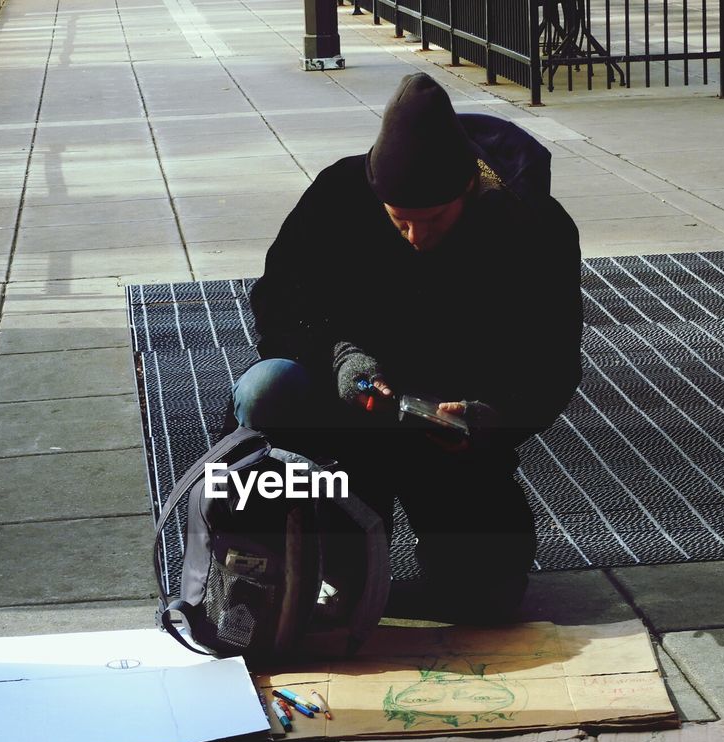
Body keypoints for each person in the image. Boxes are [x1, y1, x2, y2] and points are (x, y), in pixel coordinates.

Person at [232, 72, 583, 621]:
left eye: (433, 220)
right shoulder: (337, 195)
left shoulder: (535, 227)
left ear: (469, 188)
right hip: (345, 420)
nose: (417, 237)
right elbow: (281, 303)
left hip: (445, 433)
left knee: (486, 601)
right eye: (400, 223)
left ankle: (432, 557)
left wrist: (495, 419)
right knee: (267, 386)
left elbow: (552, 360)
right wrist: (342, 357)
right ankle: (285, 546)